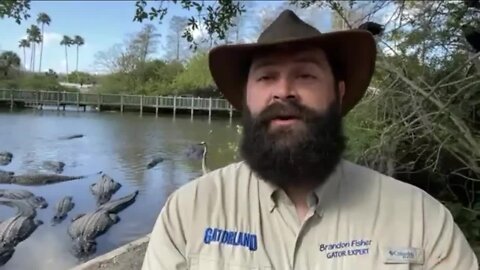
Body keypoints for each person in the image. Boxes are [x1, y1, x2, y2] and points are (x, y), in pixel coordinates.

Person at [142, 9, 479, 270]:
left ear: (339, 93)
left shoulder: (421, 219)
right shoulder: (187, 212)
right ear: (247, 99)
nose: (283, 91)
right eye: (266, 76)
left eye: (305, 75)